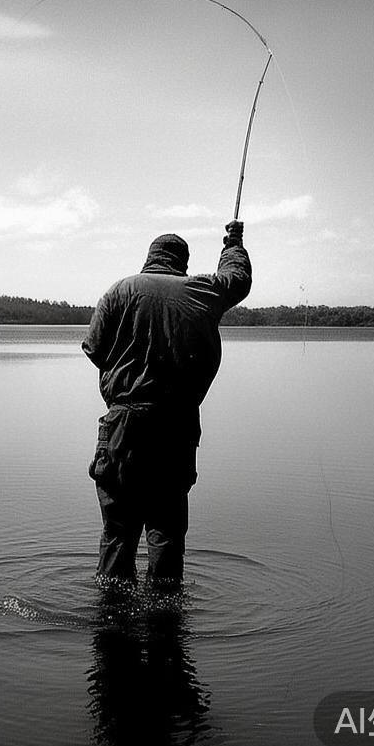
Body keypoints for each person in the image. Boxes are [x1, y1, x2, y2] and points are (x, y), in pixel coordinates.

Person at [81, 220, 251, 584]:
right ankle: (166, 620)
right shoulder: (202, 291)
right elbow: (237, 279)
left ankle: (111, 618)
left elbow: (94, 350)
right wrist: (232, 243)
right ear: (183, 263)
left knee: (118, 535)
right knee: (167, 535)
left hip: (123, 430)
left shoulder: (119, 291)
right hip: (176, 429)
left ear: (149, 259)